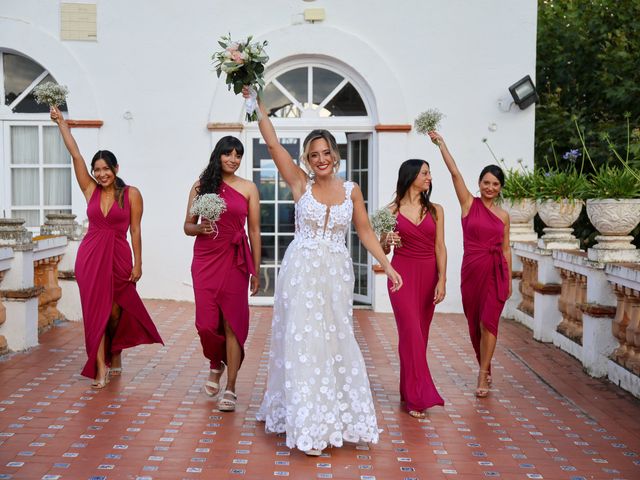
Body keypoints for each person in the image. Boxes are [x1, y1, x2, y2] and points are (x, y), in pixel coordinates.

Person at [246, 88, 403, 456]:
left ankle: (336, 418)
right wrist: (256, 103)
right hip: (301, 272)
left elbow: (364, 231)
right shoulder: (301, 183)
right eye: (313, 155)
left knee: (335, 340)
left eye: (325, 153)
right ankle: (306, 425)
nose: (320, 160)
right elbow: (272, 146)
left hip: (336, 274)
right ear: (307, 159)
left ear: (335, 155)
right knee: (303, 342)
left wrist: (388, 265)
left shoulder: (352, 190)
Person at [50, 106, 163, 389]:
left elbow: (135, 230)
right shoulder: (90, 190)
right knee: (95, 312)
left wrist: (138, 263)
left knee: (115, 312)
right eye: (97, 170)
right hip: (90, 258)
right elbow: (75, 153)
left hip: (120, 257)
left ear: (116, 169)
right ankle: (99, 368)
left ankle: (115, 351)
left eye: (105, 169)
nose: (101, 174)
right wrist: (61, 123)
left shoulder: (131, 194)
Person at [429, 131, 512, 398]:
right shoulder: (468, 204)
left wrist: (509, 280)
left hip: (496, 271)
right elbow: (454, 174)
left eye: (495, 184)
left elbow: (506, 248)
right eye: (486, 182)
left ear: (500, 188)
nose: (490, 187)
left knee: (489, 322)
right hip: (472, 271)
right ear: (479, 184)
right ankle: (484, 363)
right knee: (475, 322)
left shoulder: (504, 215)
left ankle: (483, 372)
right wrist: (442, 143)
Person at [184, 136, 261, 412]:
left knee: (232, 323)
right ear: (218, 155)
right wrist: (199, 229)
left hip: (235, 260)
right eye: (228, 154)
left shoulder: (249, 188)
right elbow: (187, 226)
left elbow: (253, 230)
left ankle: (230, 387)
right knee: (205, 324)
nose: (233, 159)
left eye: (238, 155)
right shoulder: (201, 187)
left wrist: (256, 269)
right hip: (205, 258)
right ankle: (215, 363)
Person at [380, 159, 446, 418]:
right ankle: (418, 398)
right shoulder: (391, 211)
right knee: (411, 333)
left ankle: (408, 389)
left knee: (420, 335)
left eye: (429, 173)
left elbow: (440, 247)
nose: (429, 177)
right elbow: (383, 250)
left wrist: (442, 280)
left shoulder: (436, 210)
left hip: (429, 276)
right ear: (411, 176)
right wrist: (387, 239)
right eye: (424, 173)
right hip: (401, 277)